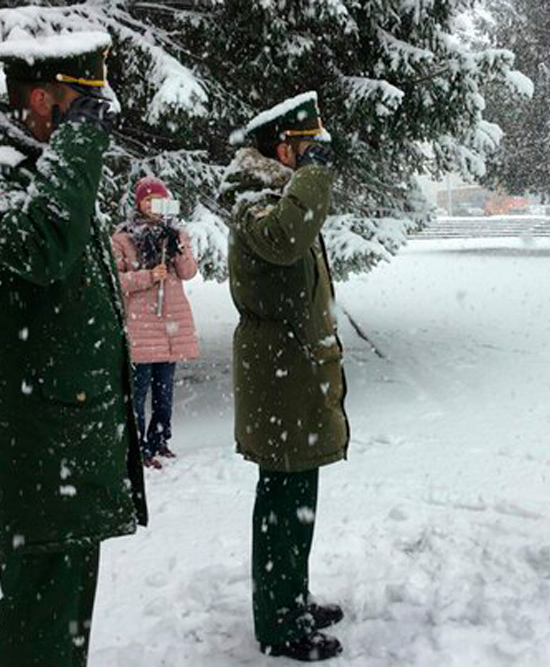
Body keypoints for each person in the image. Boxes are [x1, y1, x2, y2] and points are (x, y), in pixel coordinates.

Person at [0, 32, 147, 666]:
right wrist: (79, 141)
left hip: (67, 434)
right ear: (40, 101)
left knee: (64, 617)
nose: (95, 124)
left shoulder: (38, 169)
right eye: (81, 106)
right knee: (41, 618)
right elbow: (41, 248)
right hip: (35, 446)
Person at [221, 91, 347, 661]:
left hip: (295, 368)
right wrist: (314, 177)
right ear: (281, 148)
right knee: (281, 497)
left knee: (299, 491)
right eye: (306, 147)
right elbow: (285, 238)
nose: (317, 156)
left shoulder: (275, 196)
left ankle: (291, 594)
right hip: (277, 373)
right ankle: (277, 622)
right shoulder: (255, 202)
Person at [112, 176, 200, 469]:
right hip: (141, 326)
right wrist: (148, 277)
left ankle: (160, 439)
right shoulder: (123, 238)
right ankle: (137, 447)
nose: (152, 206)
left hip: (170, 324)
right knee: (138, 391)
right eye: (147, 200)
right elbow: (115, 281)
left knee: (165, 389)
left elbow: (187, 273)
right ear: (138, 203)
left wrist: (180, 248)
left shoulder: (174, 234)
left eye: (157, 200)